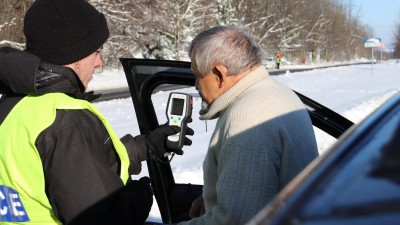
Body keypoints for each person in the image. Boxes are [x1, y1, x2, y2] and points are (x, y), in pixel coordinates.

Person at [0, 0, 192, 224]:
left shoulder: (13, 104)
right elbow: (101, 217)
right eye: (96, 52)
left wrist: (145, 146)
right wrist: (140, 196)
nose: (99, 63)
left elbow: (69, 168)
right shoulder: (65, 118)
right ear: (72, 54)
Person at [178, 25, 318, 225]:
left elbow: (235, 220)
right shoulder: (274, 92)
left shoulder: (246, 120)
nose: (196, 85)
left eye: (198, 75)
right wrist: (211, 198)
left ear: (219, 74)